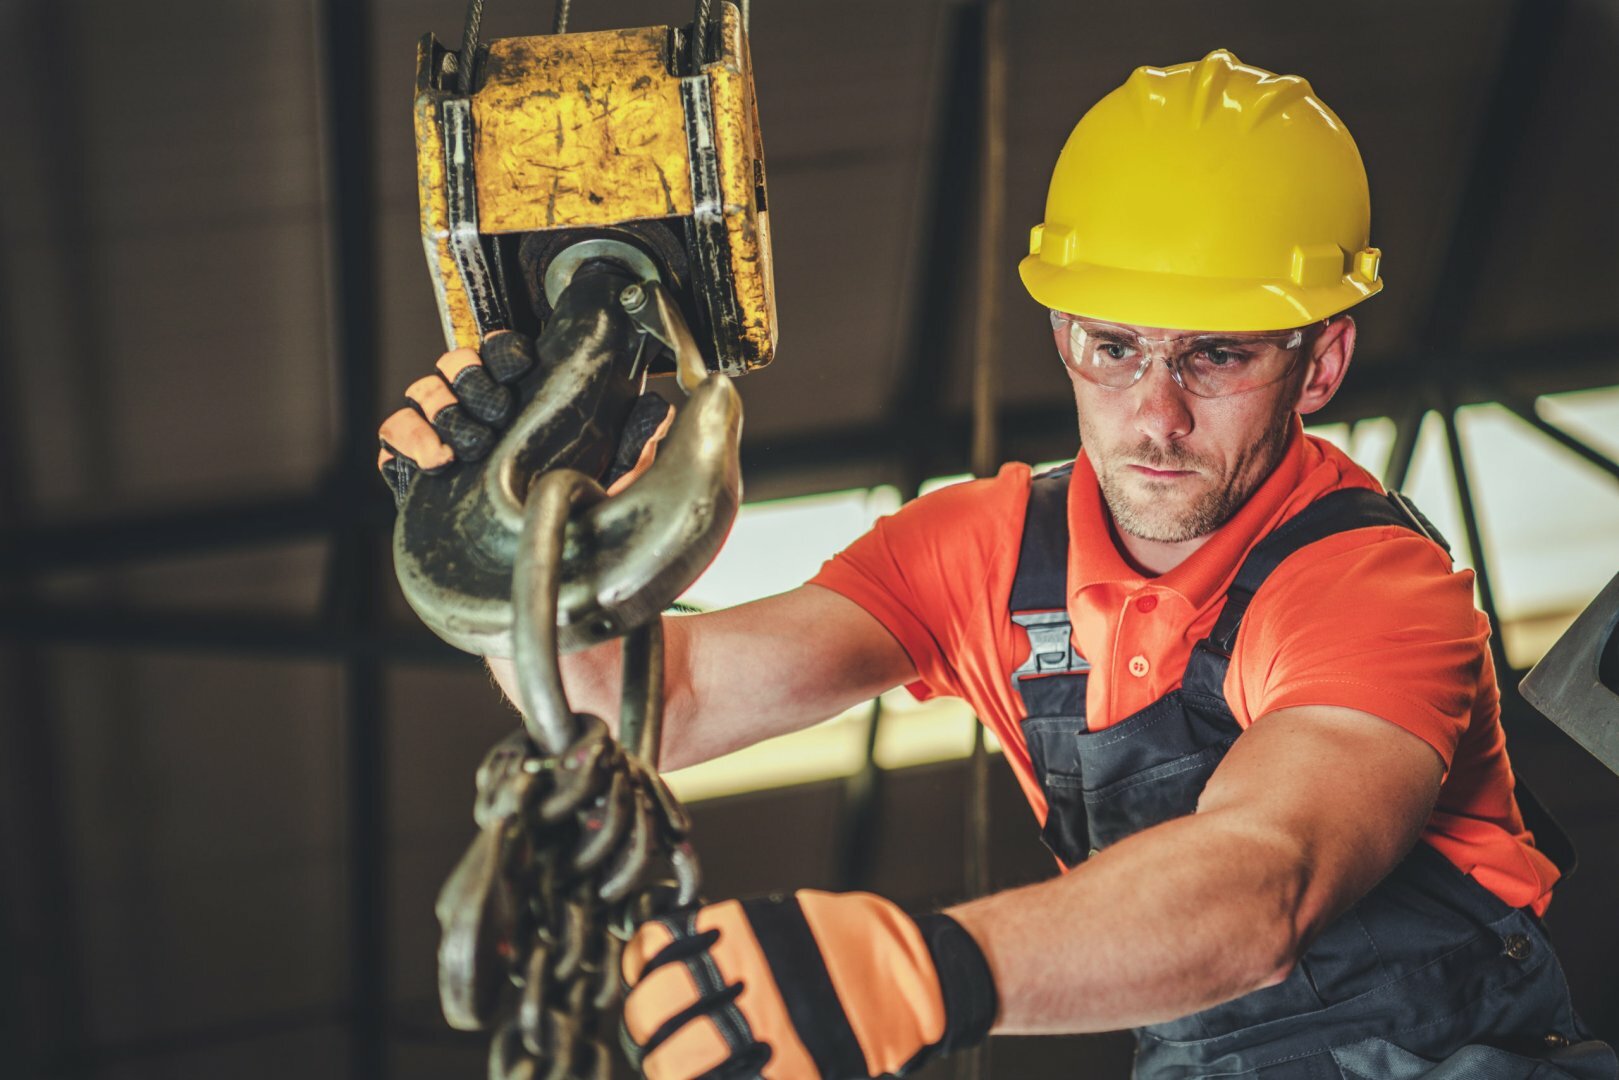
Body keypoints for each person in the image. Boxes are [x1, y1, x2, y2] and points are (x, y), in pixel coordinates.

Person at [382, 50, 1615, 1080]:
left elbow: (1264, 885)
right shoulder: (982, 550)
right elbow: (650, 706)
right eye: (1112, 345)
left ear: (1323, 363)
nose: (1155, 414)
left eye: (1218, 357)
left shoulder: (1366, 588)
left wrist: (919, 970)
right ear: (1062, 336)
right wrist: (512, 545)